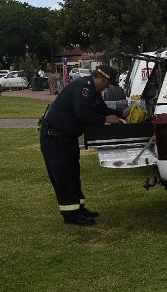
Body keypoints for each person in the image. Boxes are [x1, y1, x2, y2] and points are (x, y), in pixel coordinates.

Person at [40, 65, 130, 226]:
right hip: (55, 138)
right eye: (107, 84)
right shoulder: (84, 88)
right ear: (101, 79)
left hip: (67, 137)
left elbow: (102, 109)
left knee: (73, 174)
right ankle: (70, 215)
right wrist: (105, 120)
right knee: (64, 176)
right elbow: (83, 114)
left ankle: (79, 208)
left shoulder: (93, 91)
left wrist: (121, 114)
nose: (106, 88)